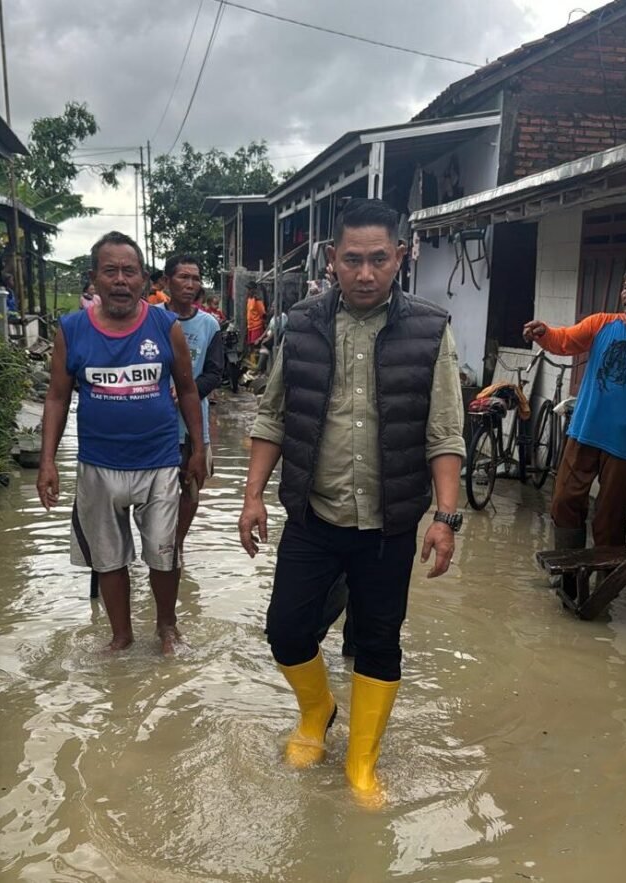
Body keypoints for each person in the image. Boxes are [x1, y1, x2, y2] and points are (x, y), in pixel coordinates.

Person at [238, 198, 465, 805]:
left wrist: (445, 518)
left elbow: (445, 432)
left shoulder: (431, 329)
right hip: (314, 515)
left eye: (380, 260)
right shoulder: (302, 324)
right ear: (333, 260)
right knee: (285, 631)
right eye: (354, 260)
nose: (366, 274)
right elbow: (274, 415)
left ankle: (362, 764)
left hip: (390, 523)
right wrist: (253, 495)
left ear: (401, 258)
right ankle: (317, 714)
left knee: (379, 641)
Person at [36, 231, 206, 654]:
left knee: (164, 555)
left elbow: (187, 390)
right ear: (93, 279)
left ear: (145, 280)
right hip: (98, 464)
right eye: (109, 271)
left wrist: (199, 450)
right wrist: (47, 461)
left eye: (129, 271)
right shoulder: (72, 330)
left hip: (160, 461)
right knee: (109, 560)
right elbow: (56, 397)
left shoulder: (166, 326)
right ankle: (121, 637)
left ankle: (167, 630)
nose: (120, 280)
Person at [523, 258, 626, 567]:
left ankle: (603, 581)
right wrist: (544, 333)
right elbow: (565, 340)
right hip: (584, 430)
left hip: (622, 444)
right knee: (564, 501)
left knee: (610, 519)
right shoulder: (601, 324)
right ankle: (569, 571)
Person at [162, 254, 224, 549]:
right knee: (155, 489)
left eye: (195, 278)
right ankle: (158, 543)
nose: (190, 284)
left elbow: (214, 373)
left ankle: (177, 544)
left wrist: (189, 390)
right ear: (166, 281)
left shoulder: (209, 325)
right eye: (183, 277)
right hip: (155, 424)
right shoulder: (152, 319)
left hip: (192, 426)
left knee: (191, 488)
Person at [255, 308, 287, 375]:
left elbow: (276, 330)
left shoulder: (283, 317)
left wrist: (267, 339)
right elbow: (268, 328)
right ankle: (260, 368)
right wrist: (260, 338)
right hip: (270, 336)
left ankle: (260, 368)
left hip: (277, 337)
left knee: (265, 345)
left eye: (273, 307)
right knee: (260, 343)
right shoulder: (273, 317)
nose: (272, 308)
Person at [246, 281, 266, 347]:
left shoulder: (257, 300)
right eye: (248, 289)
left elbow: (262, 314)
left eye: (250, 289)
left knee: (255, 346)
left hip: (256, 326)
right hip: (250, 326)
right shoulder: (249, 299)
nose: (248, 291)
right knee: (250, 345)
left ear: (254, 290)